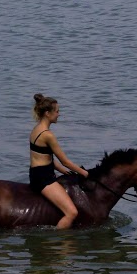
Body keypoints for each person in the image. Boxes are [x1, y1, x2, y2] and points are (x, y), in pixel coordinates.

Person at [29, 93, 90, 230]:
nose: (59, 114)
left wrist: (65, 172)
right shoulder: (48, 135)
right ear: (47, 113)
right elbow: (65, 161)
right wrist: (84, 173)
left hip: (37, 173)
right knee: (72, 213)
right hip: (44, 179)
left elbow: (46, 158)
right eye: (57, 111)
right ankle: (57, 241)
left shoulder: (36, 130)